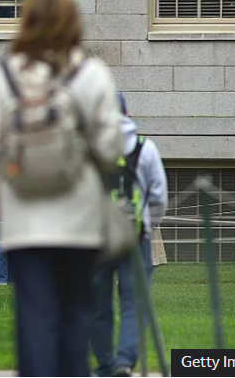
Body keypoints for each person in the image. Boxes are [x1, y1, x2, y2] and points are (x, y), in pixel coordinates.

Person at [0, 0, 124, 377]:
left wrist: (0, 189)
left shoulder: (4, 75)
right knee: (77, 315)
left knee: (34, 317)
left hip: (24, 218)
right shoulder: (91, 73)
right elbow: (112, 147)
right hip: (80, 219)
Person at [90, 93, 167, 378]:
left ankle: (104, 363)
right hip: (135, 236)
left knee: (98, 303)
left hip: (97, 237)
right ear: (127, 113)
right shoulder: (145, 148)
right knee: (133, 303)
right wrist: (147, 226)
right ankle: (124, 361)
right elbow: (158, 196)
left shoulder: (89, 148)